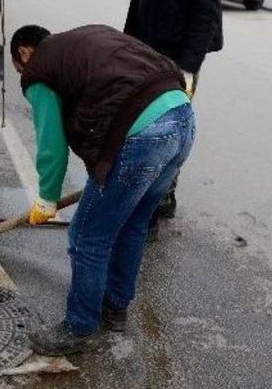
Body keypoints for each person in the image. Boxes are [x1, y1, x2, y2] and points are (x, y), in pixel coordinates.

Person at [12, 24, 196, 356]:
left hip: (144, 134)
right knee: (133, 224)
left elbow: (51, 141)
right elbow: (99, 116)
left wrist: (47, 197)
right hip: (182, 117)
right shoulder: (87, 42)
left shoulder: (39, 69)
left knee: (86, 237)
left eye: (19, 68)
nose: (24, 76)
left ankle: (81, 328)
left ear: (24, 53)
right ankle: (115, 308)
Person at [124, 0, 222, 223]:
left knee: (167, 129)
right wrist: (127, 46)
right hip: (147, 51)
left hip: (178, 59)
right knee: (141, 123)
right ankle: (145, 194)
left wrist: (188, 68)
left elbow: (205, 14)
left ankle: (161, 199)